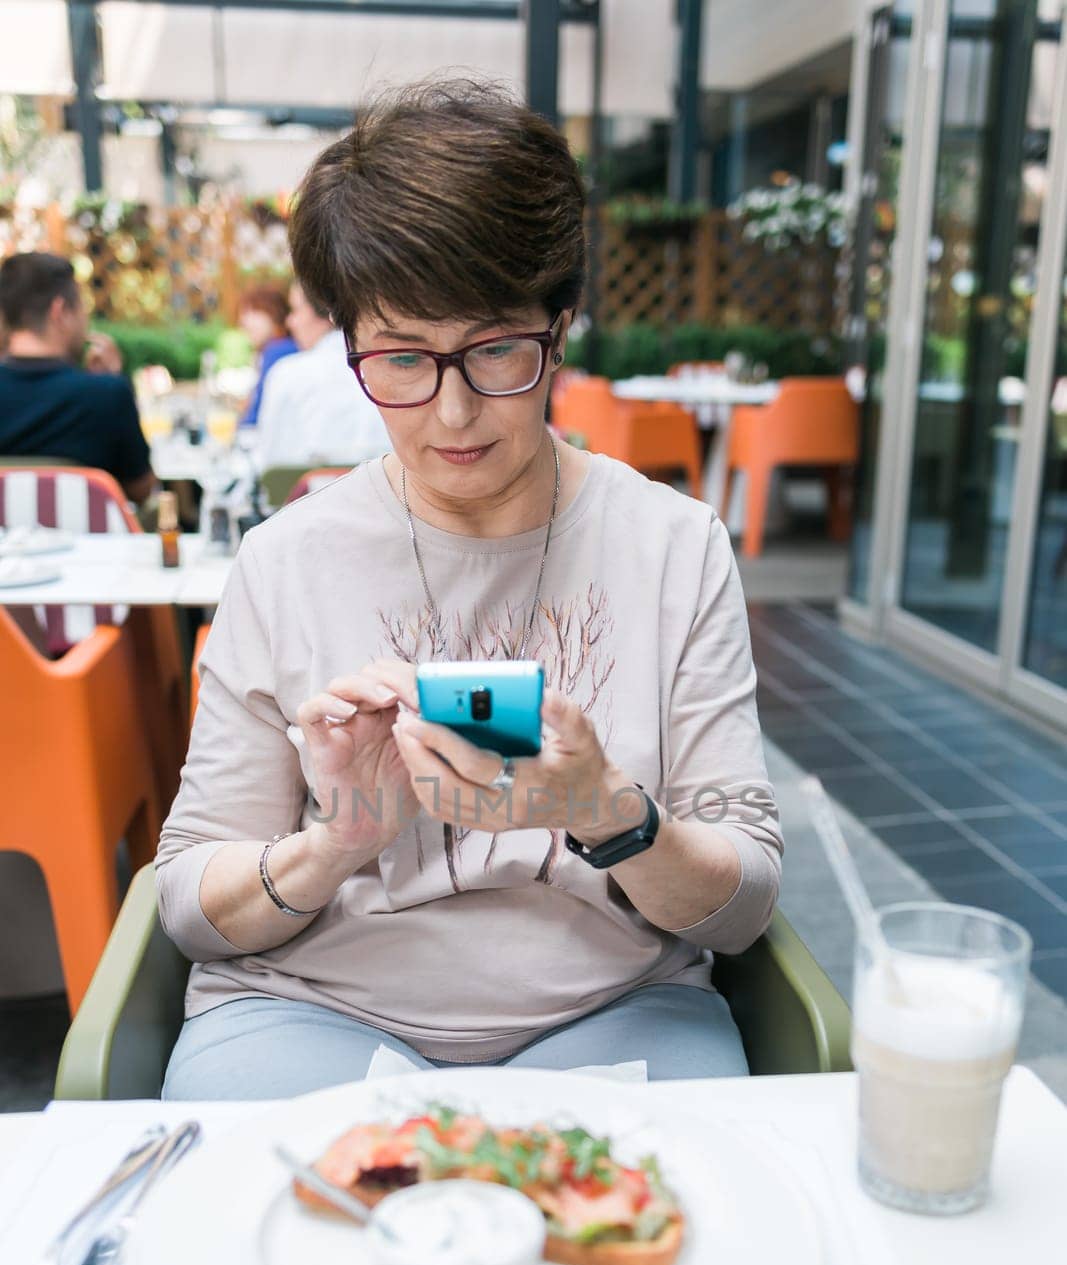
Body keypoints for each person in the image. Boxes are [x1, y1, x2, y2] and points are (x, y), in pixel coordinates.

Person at [155, 80, 783, 1100]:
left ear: (559, 327)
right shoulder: (284, 560)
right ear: (351, 344)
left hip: (611, 1006)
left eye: (494, 349)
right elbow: (187, 901)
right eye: (401, 358)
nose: (450, 413)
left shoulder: (673, 544)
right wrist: (337, 841)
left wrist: (608, 812)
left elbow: (743, 902)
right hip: (311, 1007)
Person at [0, 251, 156, 504]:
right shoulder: (108, 394)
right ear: (59, 311)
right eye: (82, 309)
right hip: (92, 544)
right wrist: (108, 383)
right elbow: (142, 490)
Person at [255, 280, 391, 468]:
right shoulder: (387, 365)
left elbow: (269, 461)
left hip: (310, 493)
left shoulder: (287, 373)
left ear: (326, 314)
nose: (290, 322)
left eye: (296, 310)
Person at [237, 283, 298, 427]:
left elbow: (255, 417)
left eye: (253, 311)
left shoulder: (279, 351)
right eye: (243, 313)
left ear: (274, 313)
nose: (244, 321)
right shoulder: (285, 347)